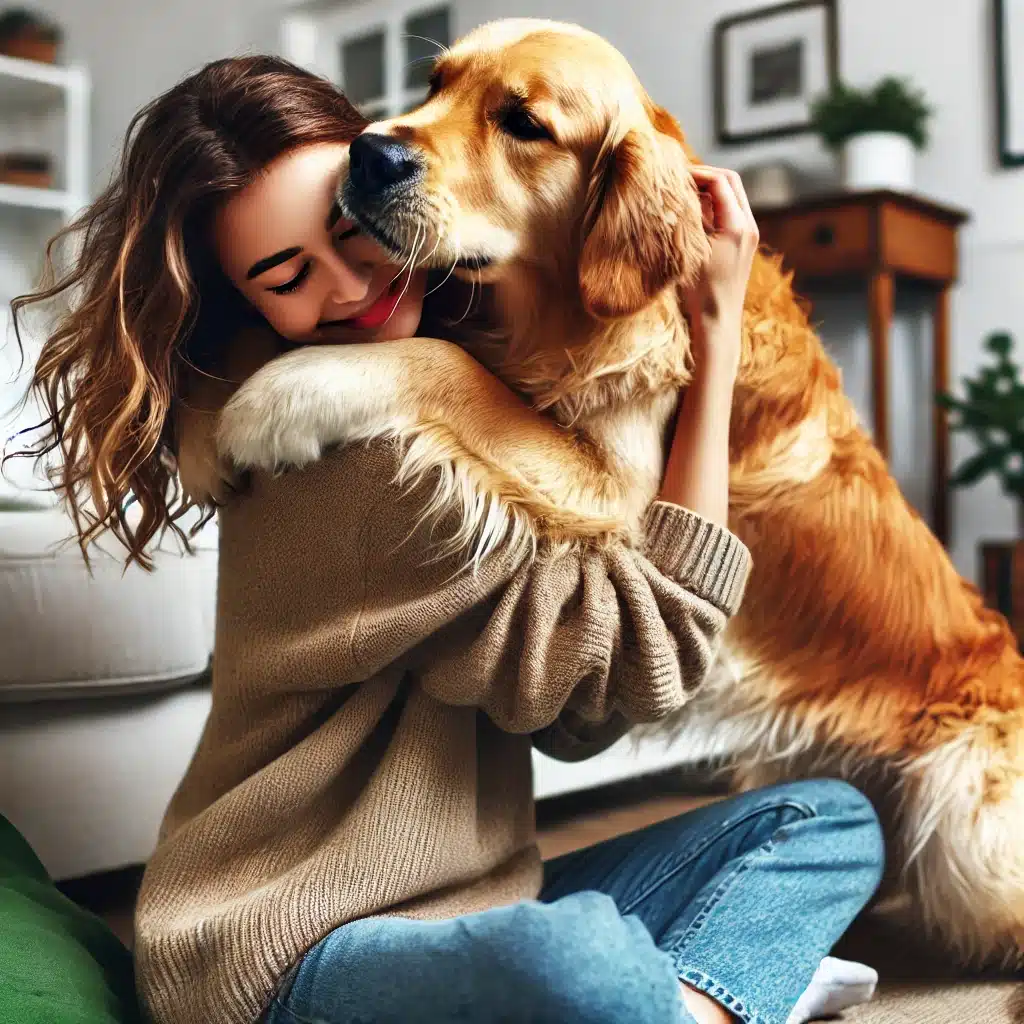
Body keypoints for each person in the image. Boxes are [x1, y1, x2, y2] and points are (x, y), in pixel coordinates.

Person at [11, 56, 884, 1024]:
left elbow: (564, 721)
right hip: (284, 954)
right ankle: (699, 999)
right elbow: (634, 674)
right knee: (582, 964)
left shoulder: (432, 383)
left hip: (471, 899)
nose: (353, 289)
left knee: (825, 820)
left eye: (354, 231)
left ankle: (674, 1001)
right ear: (245, 305)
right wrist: (713, 340)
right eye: (287, 274)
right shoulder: (365, 454)